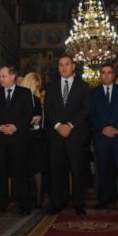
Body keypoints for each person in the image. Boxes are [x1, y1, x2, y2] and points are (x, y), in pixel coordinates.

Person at [44, 55, 90, 216]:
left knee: (77, 171)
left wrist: (70, 125)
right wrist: (58, 126)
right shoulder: (51, 87)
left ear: (73, 66)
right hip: (56, 135)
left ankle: (79, 204)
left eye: (67, 64)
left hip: (75, 134)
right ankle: (58, 202)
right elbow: (48, 109)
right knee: (57, 171)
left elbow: (85, 110)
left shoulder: (83, 86)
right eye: (60, 65)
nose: (63, 67)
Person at [0, 66, 33, 215]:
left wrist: (16, 126)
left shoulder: (25, 93)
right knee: (1, 173)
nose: (0, 79)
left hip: (18, 139)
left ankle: (24, 205)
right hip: (0, 140)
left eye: (3, 76)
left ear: (13, 76)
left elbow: (28, 114)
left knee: (21, 172)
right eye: (0, 76)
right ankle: (2, 204)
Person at [90, 64, 118, 210]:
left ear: (113, 75)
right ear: (100, 75)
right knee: (102, 170)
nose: (106, 75)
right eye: (103, 73)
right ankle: (102, 200)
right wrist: (102, 129)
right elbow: (91, 115)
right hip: (101, 137)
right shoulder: (93, 93)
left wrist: (116, 128)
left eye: (109, 73)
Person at [21, 72, 47, 209]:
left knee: (37, 168)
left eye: (38, 86)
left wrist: (37, 120)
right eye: (34, 85)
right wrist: (28, 121)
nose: (36, 88)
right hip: (23, 137)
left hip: (36, 137)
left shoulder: (36, 99)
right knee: (25, 168)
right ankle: (26, 198)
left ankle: (38, 198)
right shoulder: (19, 98)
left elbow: (39, 118)